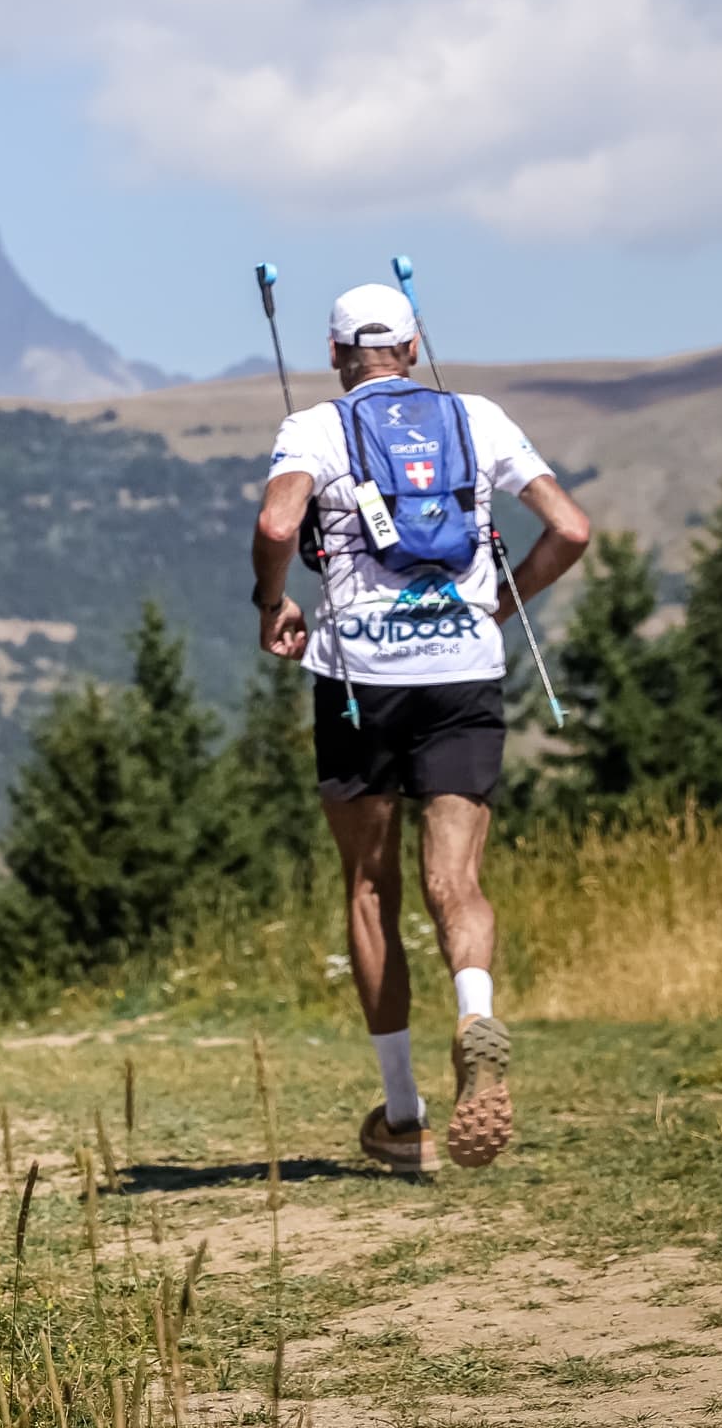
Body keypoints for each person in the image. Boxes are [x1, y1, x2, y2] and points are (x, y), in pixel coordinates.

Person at [250, 281, 591, 1176]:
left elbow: (278, 520)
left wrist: (269, 601)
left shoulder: (318, 428)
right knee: (457, 880)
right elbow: (572, 527)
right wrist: (497, 609)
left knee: (371, 890)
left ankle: (403, 1119)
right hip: (463, 675)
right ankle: (474, 1016)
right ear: (414, 343)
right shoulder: (478, 417)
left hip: (362, 681)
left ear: (334, 356)